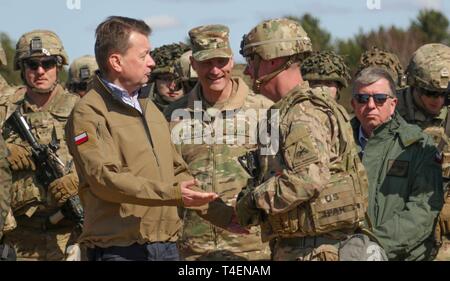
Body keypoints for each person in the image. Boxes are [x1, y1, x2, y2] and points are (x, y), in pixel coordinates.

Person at [66, 16, 218, 261]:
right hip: (120, 248)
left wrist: (223, 215)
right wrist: (171, 194)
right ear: (116, 61)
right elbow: (104, 179)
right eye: (143, 55)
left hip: (165, 245)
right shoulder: (89, 112)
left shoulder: (149, 107)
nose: (152, 63)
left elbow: (176, 169)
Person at [235, 18, 369, 261]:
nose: (247, 70)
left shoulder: (301, 112)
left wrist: (255, 200)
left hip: (311, 251)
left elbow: (308, 178)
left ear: (272, 59)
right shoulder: (291, 109)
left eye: (252, 60)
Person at [166, 24, 272, 261]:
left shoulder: (264, 110)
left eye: (221, 61)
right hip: (192, 251)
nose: (215, 70)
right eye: (206, 63)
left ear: (232, 61)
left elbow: (278, 175)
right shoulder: (173, 115)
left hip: (253, 250)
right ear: (193, 64)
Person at [0, 30, 81, 261]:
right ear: (22, 68)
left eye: (48, 63)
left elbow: (105, 162)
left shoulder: (80, 110)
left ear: (59, 65)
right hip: (19, 240)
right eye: (32, 64)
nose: (40, 71)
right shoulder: (6, 109)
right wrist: (4, 153)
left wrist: (77, 179)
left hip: (69, 238)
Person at [350, 66, 443, 260]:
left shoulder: (417, 145)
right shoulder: (336, 142)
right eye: (363, 99)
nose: (371, 105)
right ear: (353, 104)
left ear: (393, 104)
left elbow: (423, 209)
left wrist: (376, 244)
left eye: (380, 99)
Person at [396, 43, 450, 260]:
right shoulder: (387, 108)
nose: (438, 100)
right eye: (430, 92)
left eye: (445, 93)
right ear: (413, 85)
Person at [146, 43, 191, 113]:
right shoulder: (140, 108)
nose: (173, 87)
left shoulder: (200, 108)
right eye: (166, 79)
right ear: (154, 80)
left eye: (179, 79)